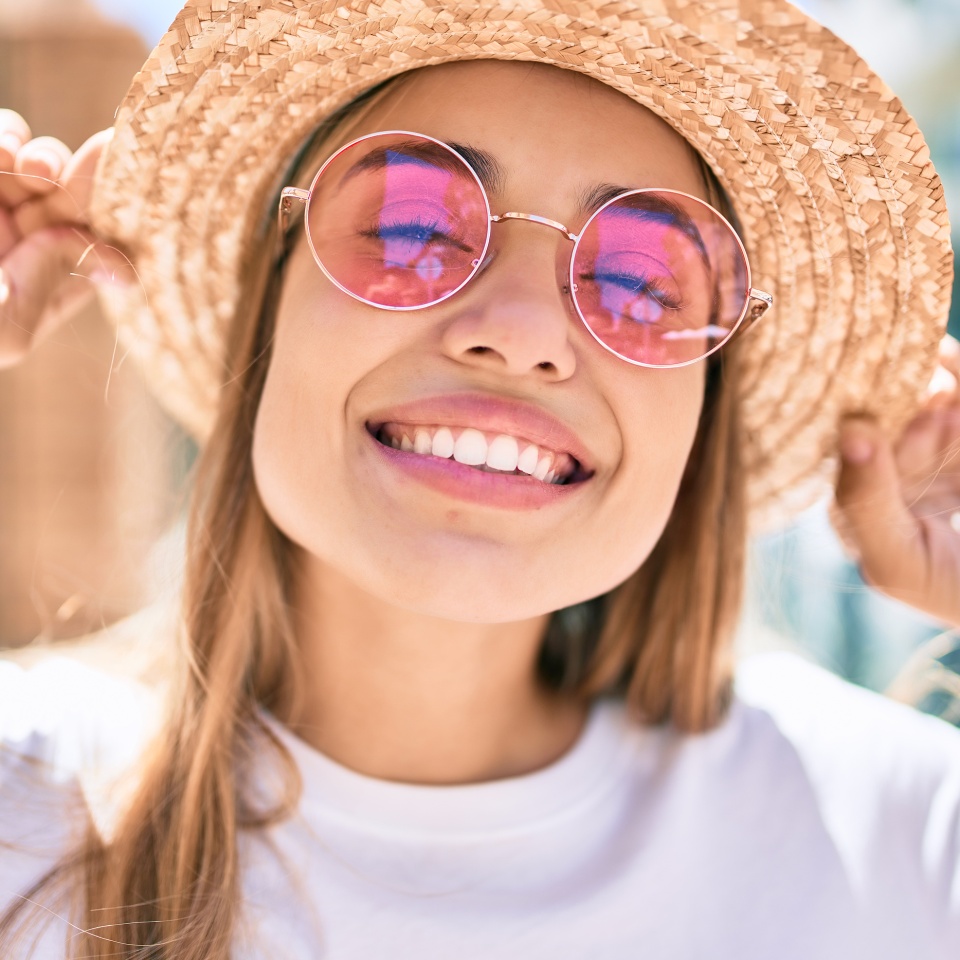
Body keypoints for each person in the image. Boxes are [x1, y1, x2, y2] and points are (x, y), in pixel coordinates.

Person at [1, 0, 959, 957]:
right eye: (411, 222)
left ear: (705, 408)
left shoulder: (906, 839)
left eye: (638, 282)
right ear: (269, 304)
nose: (521, 333)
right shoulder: (22, 810)